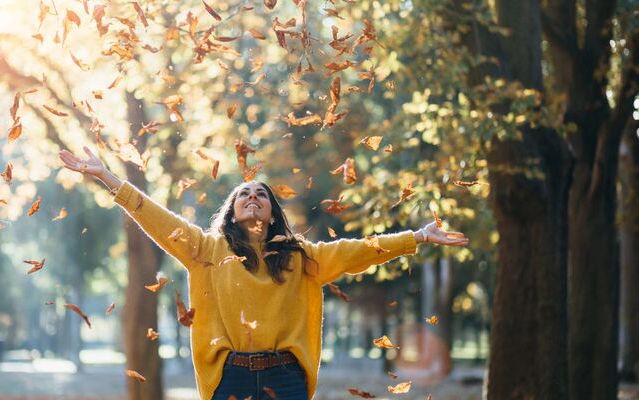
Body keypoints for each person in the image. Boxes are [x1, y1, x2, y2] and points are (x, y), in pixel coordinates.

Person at [58, 146, 470, 400]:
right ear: (232, 211)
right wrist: (105, 175)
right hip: (230, 378)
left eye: (261, 195)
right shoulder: (205, 250)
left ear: (272, 212)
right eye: (243, 194)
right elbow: (156, 217)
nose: (252, 197)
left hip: (286, 379)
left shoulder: (300, 256)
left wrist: (418, 236)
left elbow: (359, 251)